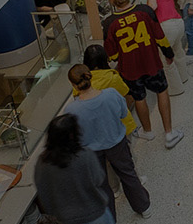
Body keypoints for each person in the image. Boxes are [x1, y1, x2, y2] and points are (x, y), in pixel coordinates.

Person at [30, 116, 140, 224]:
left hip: (65, 218)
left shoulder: (42, 163)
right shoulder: (84, 155)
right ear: (73, 135)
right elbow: (98, 178)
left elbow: (42, 191)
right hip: (95, 209)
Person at [87, 0, 179, 147]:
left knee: (139, 97)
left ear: (112, 0)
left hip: (130, 69)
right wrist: (168, 53)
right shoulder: (145, 11)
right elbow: (160, 36)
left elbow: (112, 54)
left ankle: (148, 131)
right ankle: (169, 133)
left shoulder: (108, 23)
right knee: (162, 91)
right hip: (152, 63)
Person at [61, 63, 154, 215]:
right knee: (128, 174)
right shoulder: (111, 94)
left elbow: (75, 135)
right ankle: (143, 207)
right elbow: (124, 114)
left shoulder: (72, 110)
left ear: (73, 84)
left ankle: (109, 216)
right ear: (90, 76)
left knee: (101, 183)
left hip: (92, 151)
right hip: (117, 143)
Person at [77, 44, 139, 138]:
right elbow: (127, 96)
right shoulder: (112, 78)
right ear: (105, 59)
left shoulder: (80, 80)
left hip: (93, 125)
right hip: (114, 123)